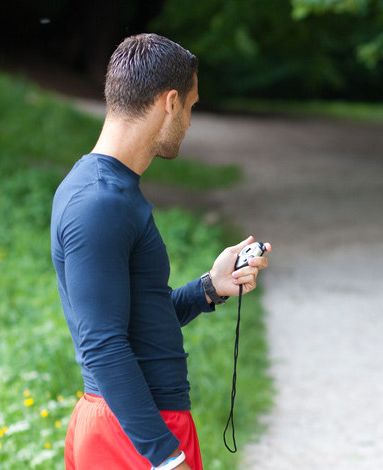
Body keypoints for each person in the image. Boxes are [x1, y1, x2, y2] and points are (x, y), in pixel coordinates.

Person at [51, 33, 271, 470]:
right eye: (190, 106)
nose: (189, 121)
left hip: (138, 425)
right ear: (170, 102)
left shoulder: (109, 191)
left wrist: (210, 288)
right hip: (132, 432)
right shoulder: (100, 202)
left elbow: (131, 317)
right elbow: (102, 344)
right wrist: (164, 456)